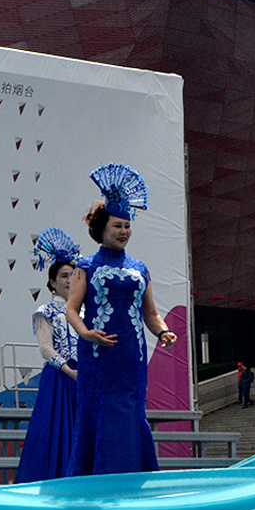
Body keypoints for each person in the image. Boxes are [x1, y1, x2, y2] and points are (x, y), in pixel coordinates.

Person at [66, 163, 176, 476]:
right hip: (98, 353)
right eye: (117, 226)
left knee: (130, 411)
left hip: (131, 354)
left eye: (127, 226)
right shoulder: (85, 267)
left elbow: (150, 313)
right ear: (102, 229)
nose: (124, 231)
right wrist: (86, 333)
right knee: (100, 411)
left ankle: (133, 476)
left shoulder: (140, 268)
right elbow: (71, 309)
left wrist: (163, 332)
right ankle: (97, 479)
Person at [15, 228, 81, 483]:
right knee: (57, 432)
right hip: (60, 380)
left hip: (84, 378)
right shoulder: (47, 311)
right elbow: (46, 348)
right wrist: (69, 371)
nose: (69, 280)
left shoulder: (87, 311)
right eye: (64, 276)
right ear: (52, 282)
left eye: (74, 275)